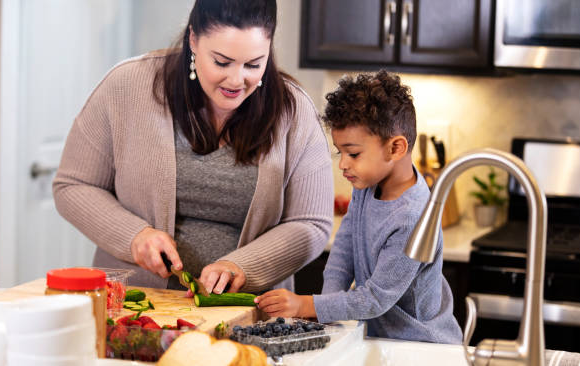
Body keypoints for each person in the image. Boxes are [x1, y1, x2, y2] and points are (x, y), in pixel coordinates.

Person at [52, 0, 333, 294]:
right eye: (222, 62)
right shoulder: (126, 86)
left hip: (249, 317)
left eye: (253, 64)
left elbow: (311, 223)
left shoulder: (294, 110)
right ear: (194, 40)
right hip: (137, 307)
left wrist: (243, 267)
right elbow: (73, 185)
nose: (237, 80)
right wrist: (135, 236)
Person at [255, 71, 462, 344]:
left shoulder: (412, 217)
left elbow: (375, 299)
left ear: (396, 148)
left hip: (422, 345)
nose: (343, 164)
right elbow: (345, 248)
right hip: (382, 341)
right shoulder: (367, 186)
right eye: (340, 152)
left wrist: (308, 306)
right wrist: (326, 307)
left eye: (353, 153)